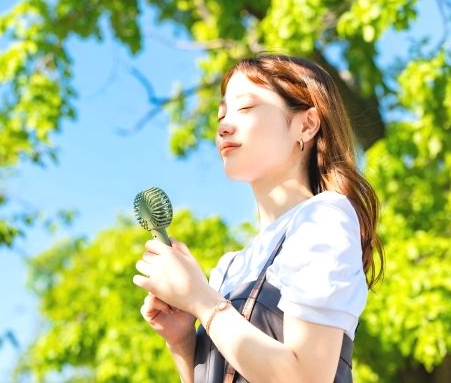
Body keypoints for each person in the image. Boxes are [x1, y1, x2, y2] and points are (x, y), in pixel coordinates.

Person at [132, 54, 384, 383]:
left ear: (306, 124)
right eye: (221, 114)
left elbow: (307, 378)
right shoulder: (230, 268)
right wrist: (182, 341)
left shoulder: (324, 218)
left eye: (246, 108)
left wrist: (201, 299)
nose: (223, 125)